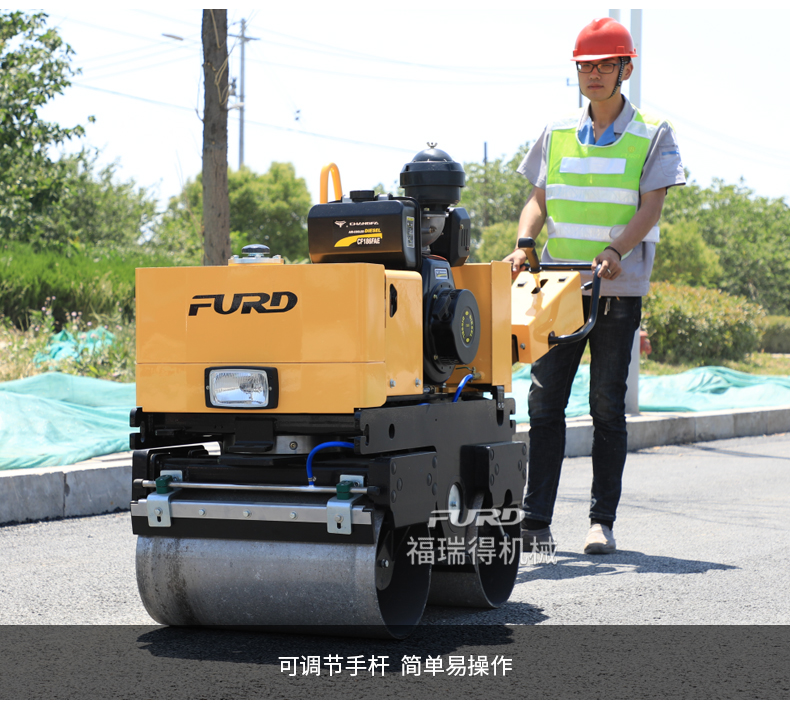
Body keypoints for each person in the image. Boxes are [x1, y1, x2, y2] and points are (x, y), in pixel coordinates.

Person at [504, 17, 685, 554]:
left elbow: (651, 206)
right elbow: (538, 198)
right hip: (558, 286)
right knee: (544, 404)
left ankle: (600, 522)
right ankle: (536, 521)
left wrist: (616, 250)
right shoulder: (557, 131)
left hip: (617, 288)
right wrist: (524, 242)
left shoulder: (653, 132)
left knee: (606, 405)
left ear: (625, 69)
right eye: (587, 66)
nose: (596, 74)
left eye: (607, 65)